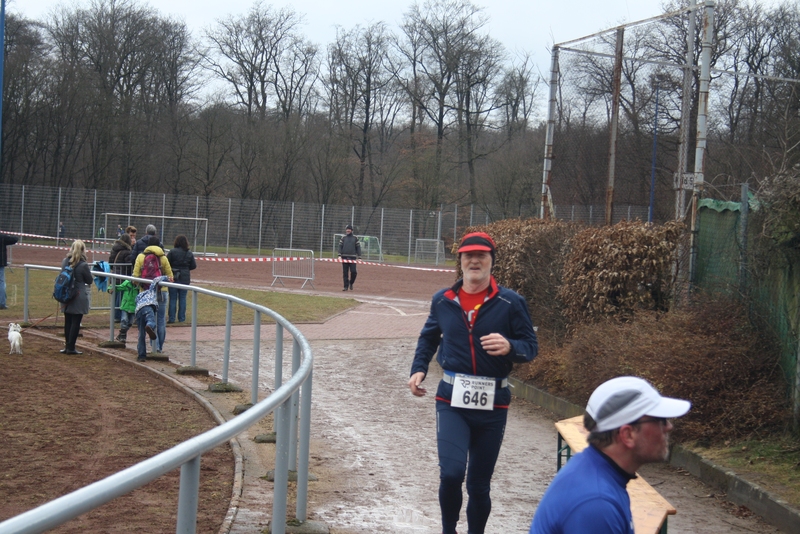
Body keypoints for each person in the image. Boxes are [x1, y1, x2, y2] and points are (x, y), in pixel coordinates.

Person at [408, 231, 539, 534]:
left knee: (479, 484)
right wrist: (418, 369)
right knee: (451, 474)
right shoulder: (443, 300)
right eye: (469, 256)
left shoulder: (510, 302)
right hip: (451, 399)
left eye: (481, 255)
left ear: (492, 261)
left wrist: (510, 346)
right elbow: (428, 337)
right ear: (461, 261)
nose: (475, 261)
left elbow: (530, 347)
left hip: (494, 403)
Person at [529, 376, 692, 534]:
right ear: (628, 435)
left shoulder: (592, 469)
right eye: (660, 419)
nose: (668, 427)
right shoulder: (597, 503)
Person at [132, 235, 173, 354]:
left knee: (147, 319)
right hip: (161, 292)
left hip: (145, 293)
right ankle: (159, 348)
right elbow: (170, 277)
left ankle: (153, 345)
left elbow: (135, 277)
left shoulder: (140, 257)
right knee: (161, 320)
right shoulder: (163, 258)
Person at [59, 240, 93, 355]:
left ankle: (67, 346)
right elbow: (89, 280)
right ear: (83, 250)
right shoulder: (83, 265)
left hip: (66, 294)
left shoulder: (65, 261)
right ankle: (71, 347)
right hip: (78, 295)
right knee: (76, 321)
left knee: (68, 320)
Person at [134, 274, 168, 362]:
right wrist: (166, 278)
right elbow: (156, 280)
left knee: (141, 334)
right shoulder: (152, 290)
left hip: (138, 310)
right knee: (151, 321)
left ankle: (141, 356)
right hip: (148, 306)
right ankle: (149, 325)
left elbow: (136, 301)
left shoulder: (139, 295)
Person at [166, 234, 197, 323]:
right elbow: (193, 265)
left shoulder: (172, 252)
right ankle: (181, 318)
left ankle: (171, 318)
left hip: (174, 276)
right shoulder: (189, 253)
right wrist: (186, 269)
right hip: (185, 277)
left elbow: (167, 263)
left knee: (173, 298)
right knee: (183, 298)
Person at [109, 233, 133, 321]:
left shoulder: (114, 249)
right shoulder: (127, 252)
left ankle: (114, 315)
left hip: (115, 274)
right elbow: (129, 265)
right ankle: (117, 315)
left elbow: (110, 262)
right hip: (123, 276)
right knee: (121, 297)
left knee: (115, 296)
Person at [338, 224, 361, 291]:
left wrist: (359, 257)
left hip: (352, 258)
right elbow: (340, 247)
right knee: (345, 273)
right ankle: (345, 286)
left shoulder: (355, 238)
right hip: (344, 257)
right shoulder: (343, 238)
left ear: (351, 230)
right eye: (347, 229)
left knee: (354, 272)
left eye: (349, 229)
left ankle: (351, 283)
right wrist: (339, 255)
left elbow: (358, 248)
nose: (348, 230)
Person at [0, 232, 19, 309]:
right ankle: (1, 303)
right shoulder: (2, 237)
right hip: (0, 264)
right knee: (1, 283)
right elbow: (14, 239)